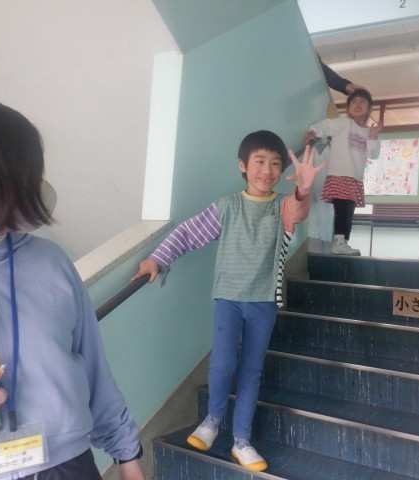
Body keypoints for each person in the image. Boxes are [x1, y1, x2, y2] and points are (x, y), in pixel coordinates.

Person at [0, 96, 144, 480]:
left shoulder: (49, 260)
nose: (35, 184)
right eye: (26, 170)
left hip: (69, 466)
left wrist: (127, 454)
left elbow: (93, 366)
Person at [131, 131, 325, 472]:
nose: (267, 170)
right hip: (229, 299)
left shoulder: (282, 206)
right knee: (221, 365)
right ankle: (212, 419)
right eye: (259, 162)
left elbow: (298, 211)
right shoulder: (227, 207)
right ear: (243, 165)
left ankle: (241, 441)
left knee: (251, 371)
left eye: (275, 164)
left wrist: (304, 189)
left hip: (264, 300)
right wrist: (157, 259)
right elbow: (188, 233)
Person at [304, 89, 382, 255]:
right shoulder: (344, 123)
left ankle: (342, 242)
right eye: (353, 102)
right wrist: (313, 132)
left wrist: (373, 136)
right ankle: (339, 242)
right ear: (348, 108)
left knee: (348, 210)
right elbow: (326, 126)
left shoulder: (368, 132)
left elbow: (373, 154)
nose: (357, 104)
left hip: (355, 179)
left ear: (369, 108)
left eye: (362, 102)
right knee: (343, 208)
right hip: (339, 175)